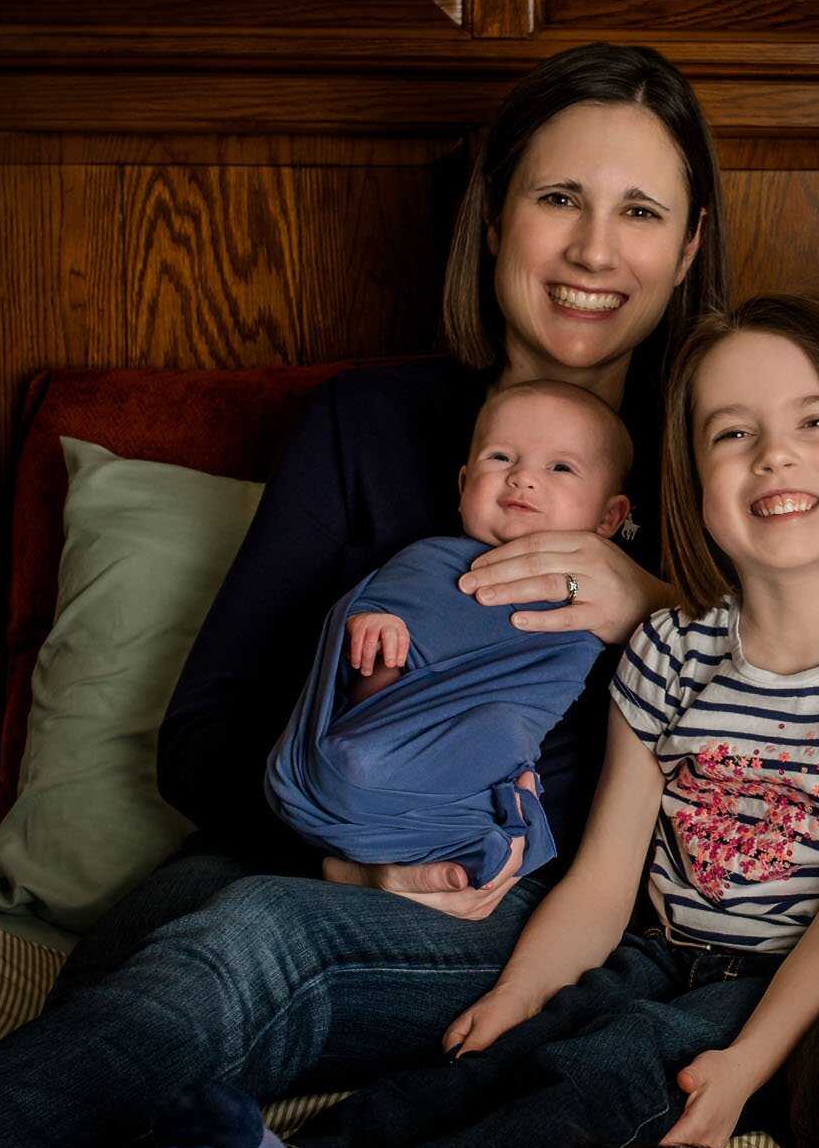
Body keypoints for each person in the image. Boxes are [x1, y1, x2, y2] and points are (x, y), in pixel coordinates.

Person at [0, 41, 726, 1148]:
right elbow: (202, 738)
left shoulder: (726, 437)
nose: (594, 248)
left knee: (246, 943)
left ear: (690, 242)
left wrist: (649, 595)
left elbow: (807, 715)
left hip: (539, 904)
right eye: (560, 197)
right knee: (145, 961)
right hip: (298, 847)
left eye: (641, 210)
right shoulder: (369, 423)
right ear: (494, 210)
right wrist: (348, 859)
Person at [133, 293, 819, 1148]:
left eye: (813, 421)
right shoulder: (670, 651)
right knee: (502, 1048)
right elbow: (603, 882)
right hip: (660, 949)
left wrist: (745, 1062)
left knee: (618, 1065)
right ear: (687, 478)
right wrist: (517, 993)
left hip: (798, 990)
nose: (773, 457)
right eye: (733, 433)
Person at [267, 379, 635, 886]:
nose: (523, 480)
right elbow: (375, 680)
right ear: (464, 485)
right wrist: (375, 631)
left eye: (560, 467)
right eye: (502, 458)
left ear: (610, 517)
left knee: (500, 731)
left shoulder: (605, 599)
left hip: (473, 785)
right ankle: (378, 856)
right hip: (378, 753)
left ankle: (452, 854)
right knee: (358, 767)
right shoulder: (428, 562)